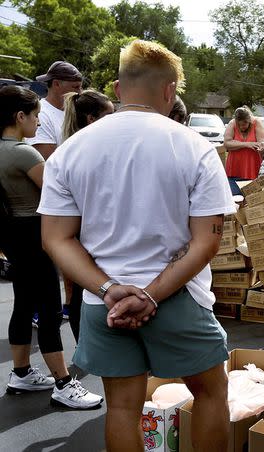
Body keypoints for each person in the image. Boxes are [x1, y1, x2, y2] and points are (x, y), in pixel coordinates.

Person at [39, 40, 234, 451]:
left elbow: (56, 239)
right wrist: (149, 294)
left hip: (102, 301)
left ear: (116, 87)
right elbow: (206, 242)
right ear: (170, 90)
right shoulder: (194, 146)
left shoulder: (70, 151)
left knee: (123, 408)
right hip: (178, 297)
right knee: (211, 393)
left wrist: (110, 289)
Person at [0, 85, 103, 409]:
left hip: (11, 234)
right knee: (48, 308)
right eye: (35, 116)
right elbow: (59, 192)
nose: (37, 122)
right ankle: (63, 383)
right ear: (20, 116)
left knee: (24, 302)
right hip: (33, 233)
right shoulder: (22, 152)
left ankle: (21, 372)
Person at [60, 89, 115, 340]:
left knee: (79, 292)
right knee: (89, 292)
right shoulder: (89, 151)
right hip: (90, 233)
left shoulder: (69, 149)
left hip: (78, 233)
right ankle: (87, 344)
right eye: (109, 115)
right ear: (92, 119)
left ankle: (84, 346)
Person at [27, 61, 83, 158]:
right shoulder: (41, 114)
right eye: (76, 87)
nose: (80, 92)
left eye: (80, 87)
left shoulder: (76, 111)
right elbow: (49, 163)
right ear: (56, 84)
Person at [224, 106, 264, 180]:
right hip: (234, 170)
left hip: (253, 168)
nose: (241, 127)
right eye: (239, 125)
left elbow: (262, 143)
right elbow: (227, 144)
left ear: (249, 121)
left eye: (243, 125)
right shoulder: (232, 123)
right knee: (234, 191)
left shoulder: (256, 122)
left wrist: (262, 147)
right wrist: (248, 144)